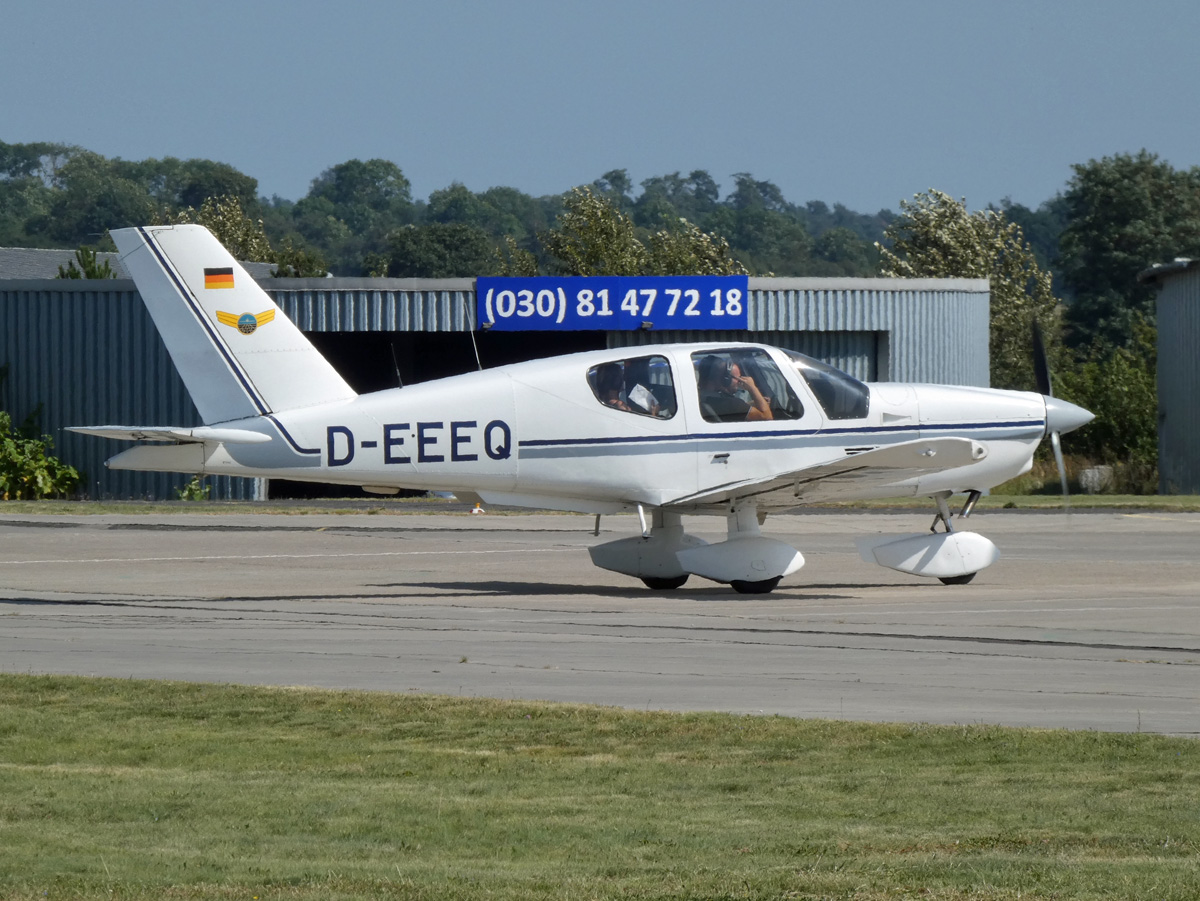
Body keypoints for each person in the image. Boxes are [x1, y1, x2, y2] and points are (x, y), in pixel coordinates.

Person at [696, 355, 773, 422]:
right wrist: (752, 387)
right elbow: (767, 418)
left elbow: (731, 408)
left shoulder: (699, 398)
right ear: (726, 379)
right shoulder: (731, 404)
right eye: (738, 378)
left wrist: (747, 405)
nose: (740, 381)